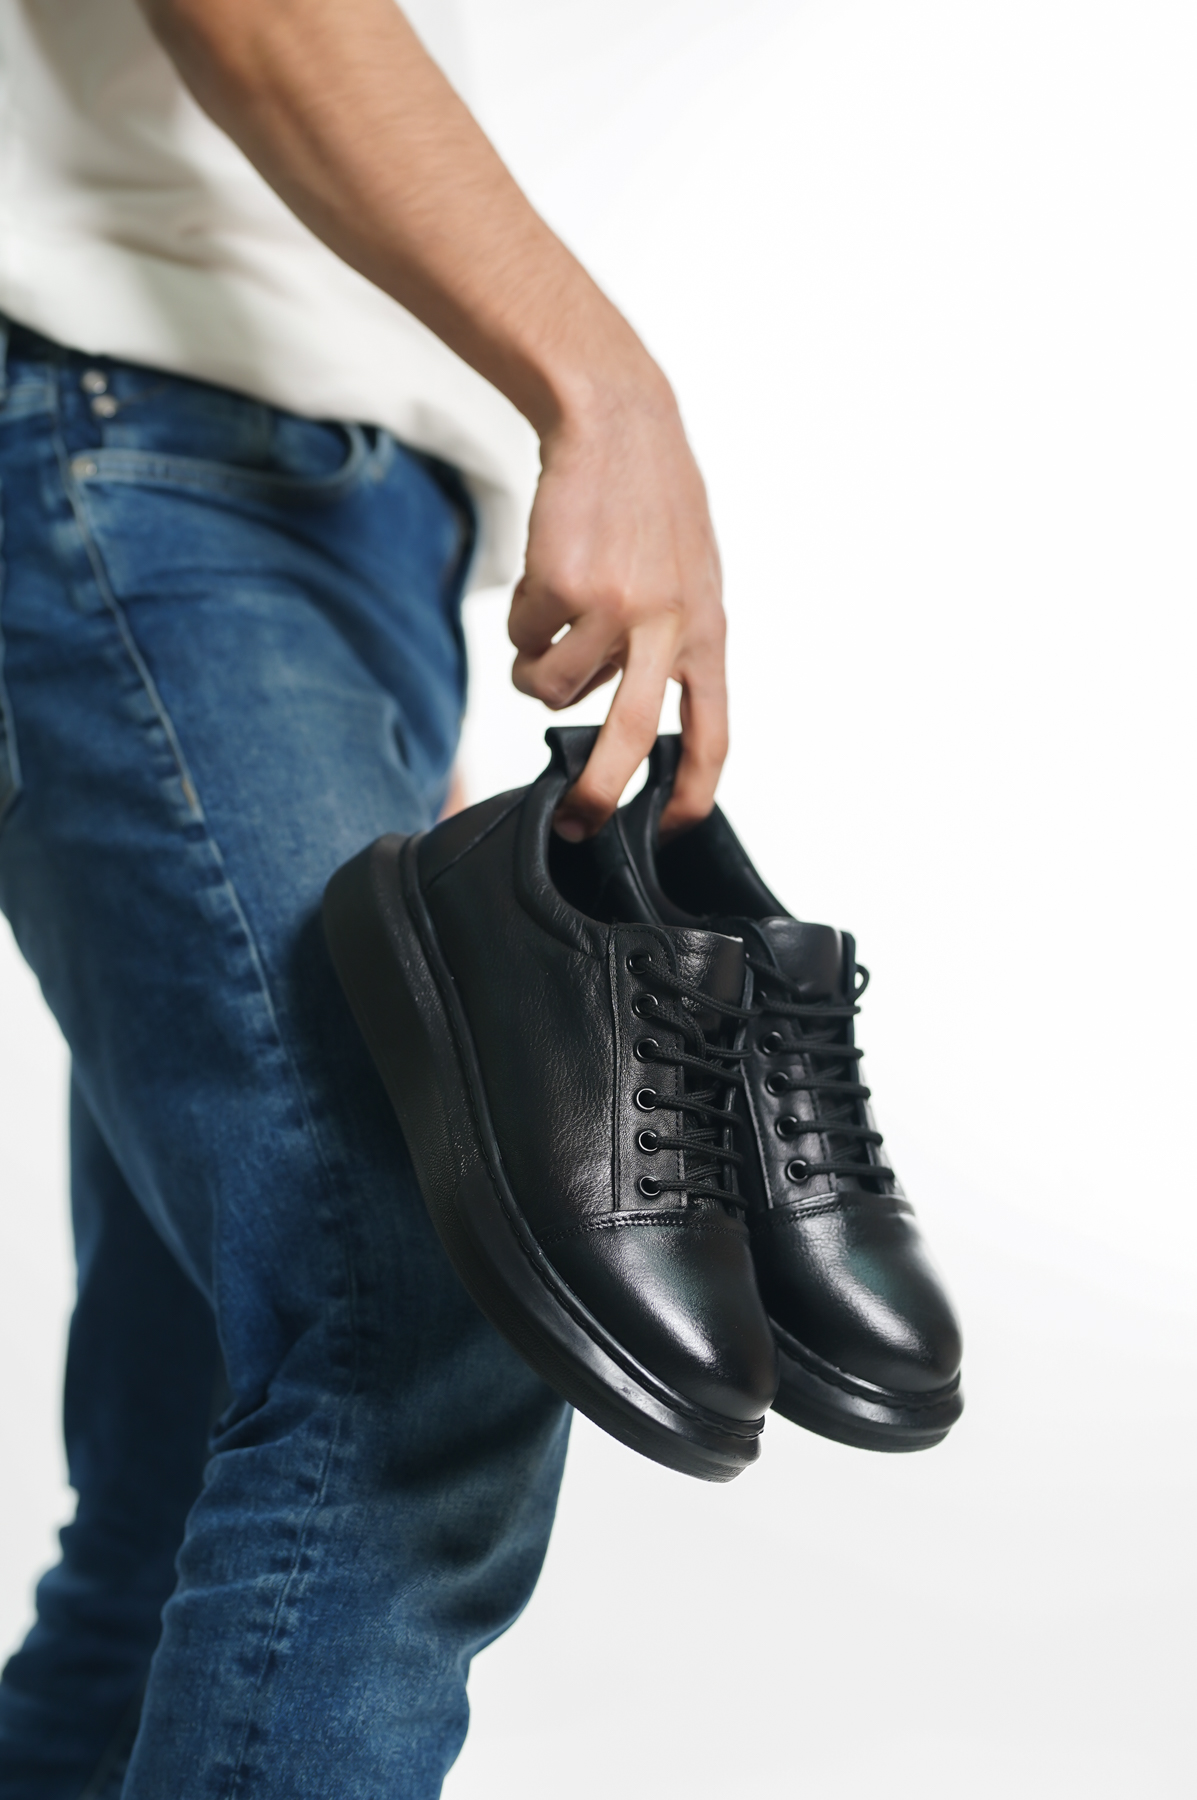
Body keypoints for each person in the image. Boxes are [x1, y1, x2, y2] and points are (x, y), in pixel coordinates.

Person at [0, 0, 728, 1794]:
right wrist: (608, 388)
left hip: (302, 524)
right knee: (413, 1319)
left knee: (196, 1472)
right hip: (150, 454)